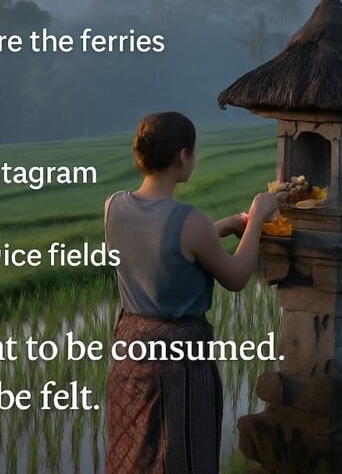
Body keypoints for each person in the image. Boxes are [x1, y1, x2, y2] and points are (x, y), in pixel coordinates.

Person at [103, 111, 284, 474]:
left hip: (129, 351)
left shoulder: (114, 205)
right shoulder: (191, 221)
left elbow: (162, 247)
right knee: (181, 456)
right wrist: (257, 219)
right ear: (183, 155)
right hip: (178, 362)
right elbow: (235, 276)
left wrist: (222, 228)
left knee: (133, 455)